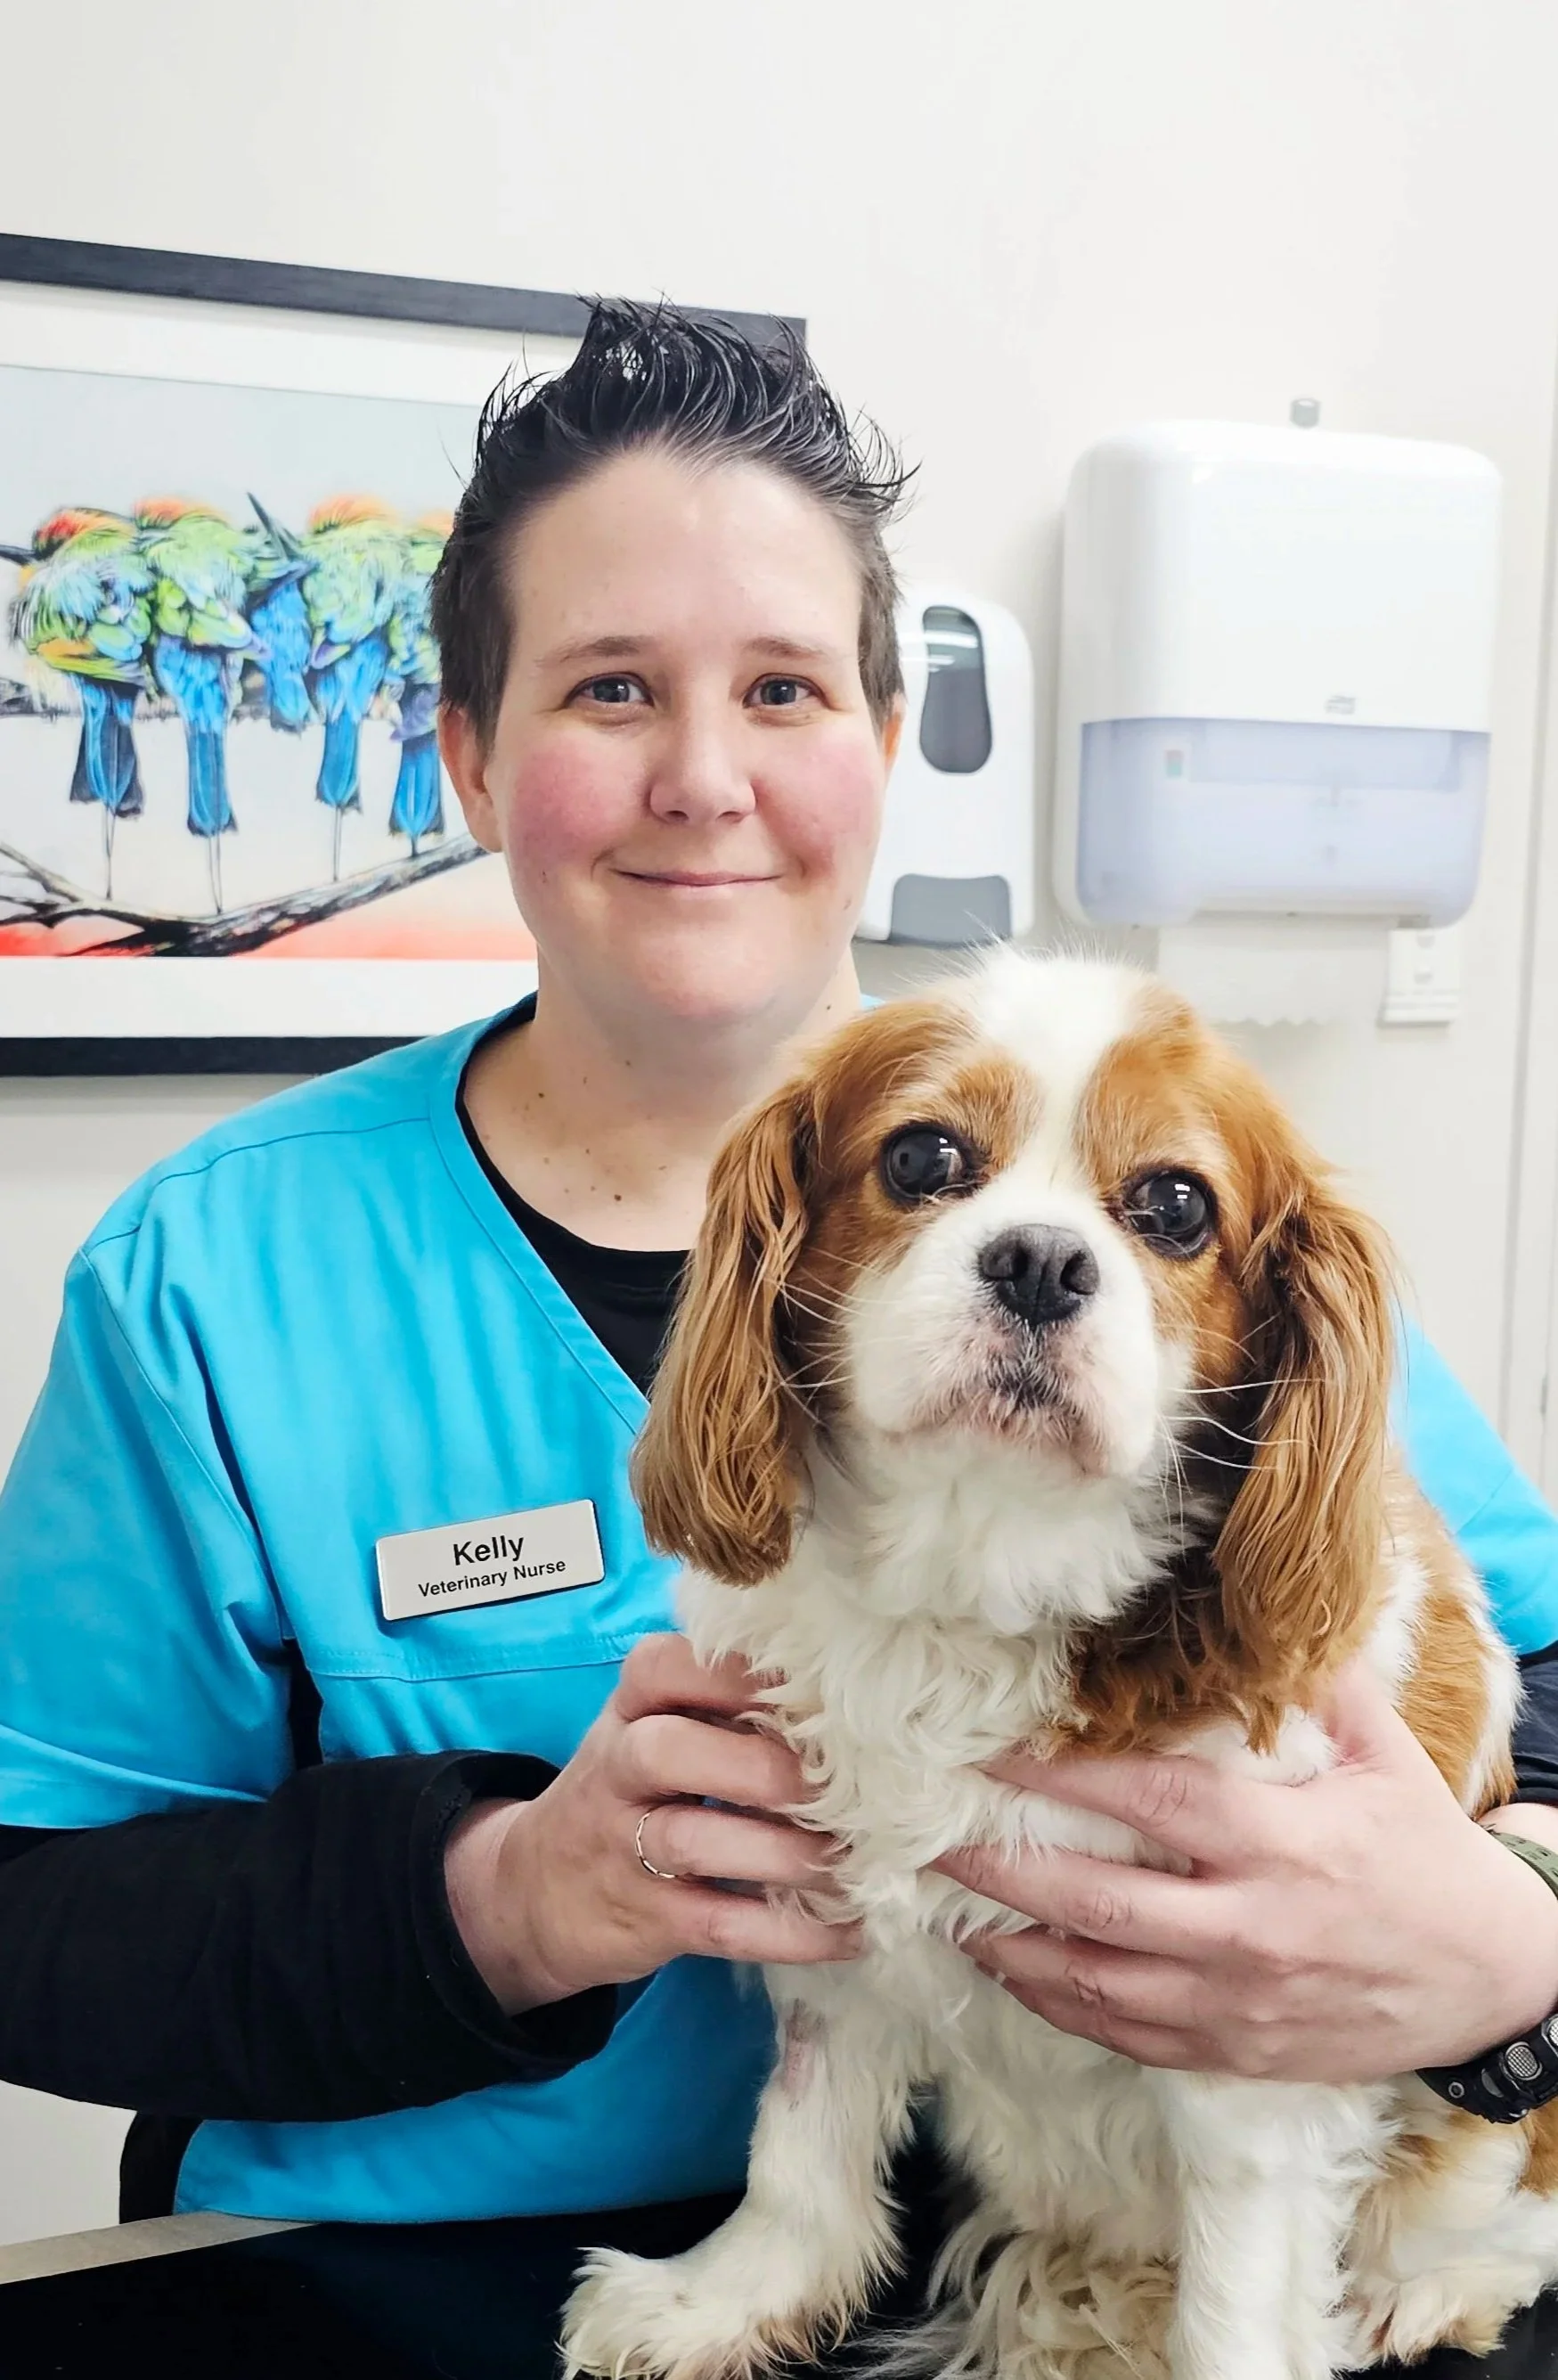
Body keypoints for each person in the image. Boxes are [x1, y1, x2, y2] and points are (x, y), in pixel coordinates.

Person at [1, 301, 1557, 2379]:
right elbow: (29, 1925)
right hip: (397, 2299)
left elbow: (1514, 1686)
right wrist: (509, 1892)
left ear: (886, 747)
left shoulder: (1198, 1266)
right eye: (610, 687)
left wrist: (1511, 1939)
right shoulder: (220, 1274)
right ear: (466, 750)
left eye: (785, 688)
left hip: (1084, 2270)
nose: (706, 775)